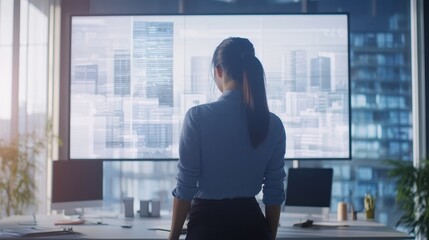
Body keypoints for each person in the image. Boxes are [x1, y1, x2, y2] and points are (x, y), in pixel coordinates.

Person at [169, 37, 286, 240]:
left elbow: (185, 187)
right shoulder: (273, 124)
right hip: (253, 227)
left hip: (206, 227)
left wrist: (173, 238)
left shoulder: (197, 117)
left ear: (219, 71)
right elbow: (274, 190)